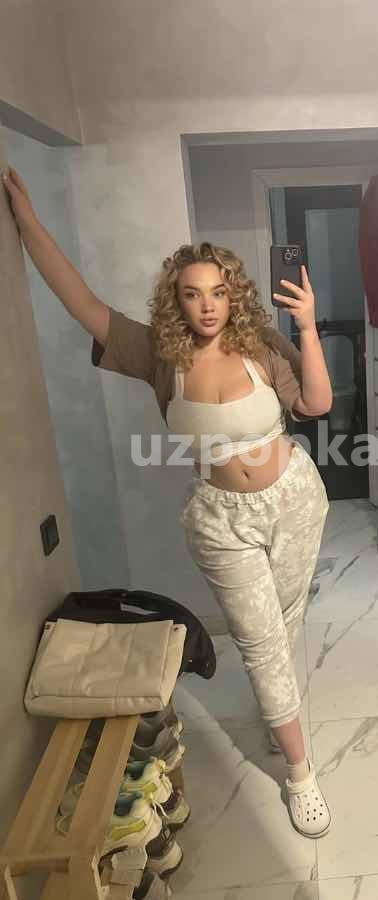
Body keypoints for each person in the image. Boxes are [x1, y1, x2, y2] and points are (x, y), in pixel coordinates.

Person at [2, 165, 333, 839]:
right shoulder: (157, 355)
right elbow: (80, 300)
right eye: (192, 293)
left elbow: (316, 404)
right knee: (260, 639)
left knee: (286, 620)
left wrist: (306, 328)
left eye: (218, 292)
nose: (207, 306)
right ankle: (300, 773)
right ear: (176, 300)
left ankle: (279, 714)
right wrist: (27, 223)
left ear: (232, 295)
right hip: (220, 518)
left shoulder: (259, 344)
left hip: (296, 498)